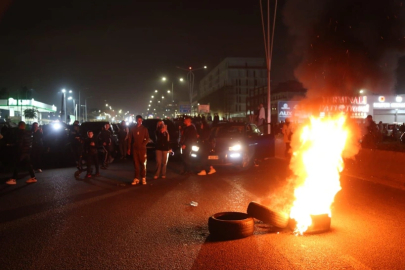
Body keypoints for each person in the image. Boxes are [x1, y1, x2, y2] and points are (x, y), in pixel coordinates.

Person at [127, 115, 149, 185]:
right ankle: (136, 178)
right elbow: (130, 138)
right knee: (136, 164)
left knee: (143, 163)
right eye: (138, 120)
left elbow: (147, 138)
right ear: (136, 120)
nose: (139, 121)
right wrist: (129, 148)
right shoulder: (133, 128)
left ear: (142, 120)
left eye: (140, 120)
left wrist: (143, 144)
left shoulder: (144, 129)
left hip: (142, 149)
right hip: (135, 149)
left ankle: (143, 178)